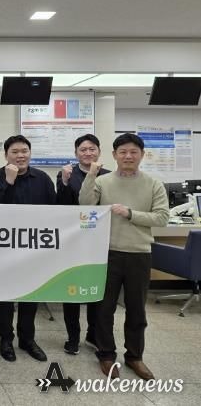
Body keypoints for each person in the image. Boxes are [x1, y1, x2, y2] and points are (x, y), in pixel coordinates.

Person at [79, 133, 169, 380]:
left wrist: (130, 213)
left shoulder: (153, 184)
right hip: (107, 253)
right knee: (104, 308)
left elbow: (162, 217)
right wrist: (90, 175)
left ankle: (135, 357)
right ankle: (106, 354)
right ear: (114, 155)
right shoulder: (103, 181)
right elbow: (85, 205)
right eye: (123, 152)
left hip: (139, 253)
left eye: (133, 152)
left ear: (142, 155)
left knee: (137, 310)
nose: (128, 156)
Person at [0, 135, 55, 363]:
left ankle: (27, 339)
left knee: (31, 295)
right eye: (15, 152)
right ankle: (5, 339)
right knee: (5, 297)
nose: (20, 155)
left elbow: (56, 211)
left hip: (33, 249)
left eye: (24, 151)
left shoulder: (42, 179)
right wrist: (9, 182)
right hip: (5, 250)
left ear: (30, 153)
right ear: (6, 155)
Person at [56, 134, 110, 355]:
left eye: (92, 149)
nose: (88, 153)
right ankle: (73, 337)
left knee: (95, 289)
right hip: (74, 241)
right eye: (83, 149)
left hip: (99, 242)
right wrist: (64, 182)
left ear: (99, 151)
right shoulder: (68, 174)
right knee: (72, 291)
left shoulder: (109, 175)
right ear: (76, 153)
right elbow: (61, 206)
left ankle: (93, 334)